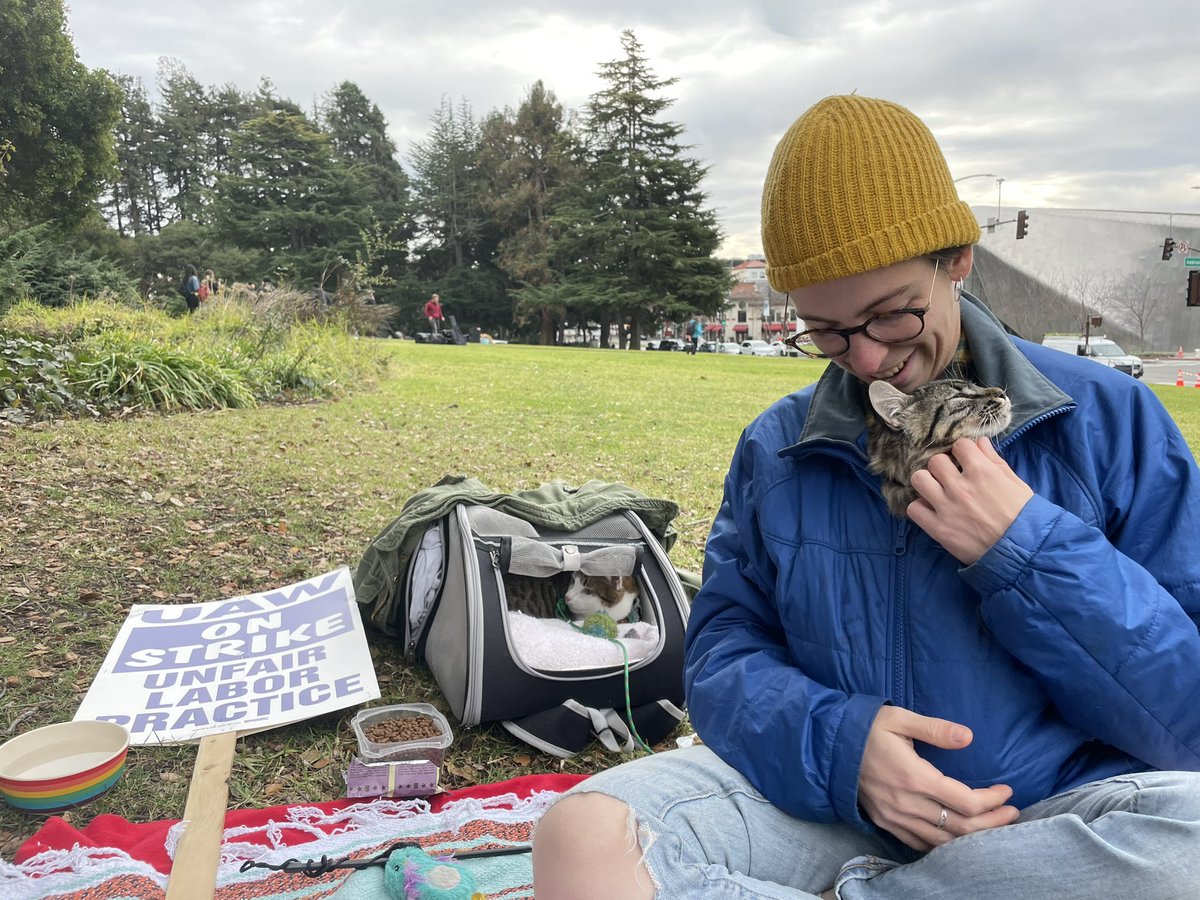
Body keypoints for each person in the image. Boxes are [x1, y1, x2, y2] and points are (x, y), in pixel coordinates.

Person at [532, 94, 1200, 898]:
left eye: (890, 315)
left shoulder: (1109, 419)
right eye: (826, 330)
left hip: (1057, 824)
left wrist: (1026, 549)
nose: (869, 359)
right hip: (824, 810)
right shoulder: (777, 448)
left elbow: (1184, 716)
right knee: (583, 836)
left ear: (956, 259)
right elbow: (720, 658)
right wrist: (843, 749)